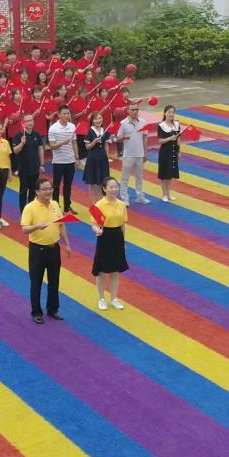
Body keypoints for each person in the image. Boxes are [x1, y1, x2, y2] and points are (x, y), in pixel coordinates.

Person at [20, 178, 72, 324]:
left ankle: (53, 309)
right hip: (38, 250)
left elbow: (61, 225)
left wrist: (67, 243)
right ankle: (36, 312)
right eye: (45, 189)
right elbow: (24, 229)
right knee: (36, 282)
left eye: (50, 189)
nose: (48, 192)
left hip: (54, 248)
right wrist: (37, 226)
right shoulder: (30, 208)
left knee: (54, 281)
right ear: (37, 191)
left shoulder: (55, 204)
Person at [91, 177, 130, 310]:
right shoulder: (99, 205)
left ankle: (114, 298)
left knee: (115, 270)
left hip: (117, 237)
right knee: (101, 271)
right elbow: (94, 224)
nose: (114, 189)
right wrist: (97, 230)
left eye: (115, 187)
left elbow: (123, 225)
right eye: (111, 187)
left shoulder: (121, 204)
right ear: (104, 189)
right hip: (104, 237)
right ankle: (101, 298)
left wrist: (123, 242)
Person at [117, 104, 151, 206]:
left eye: (137, 109)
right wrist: (124, 137)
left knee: (139, 177)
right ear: (128, 110)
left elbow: (145, 137)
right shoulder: (123, 123)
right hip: (128, 155)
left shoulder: (143, 122)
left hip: (140, 154)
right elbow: (118, 139)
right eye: (133, 109)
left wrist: (145, 153)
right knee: (125, 177)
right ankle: (124, 198)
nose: (135, 111)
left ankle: (140, 196)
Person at [48, 105, 79, 215]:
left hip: (70, 161)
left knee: (68, 185)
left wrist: (77, 158)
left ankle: (67, 207)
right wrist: (62, 143)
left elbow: (74, 142)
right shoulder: (53, 128)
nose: (67, 115)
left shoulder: (72, 126)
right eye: (64, 113)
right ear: (59, 114)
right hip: (58, 162)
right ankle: (55, 207)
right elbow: (52, 146)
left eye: (68, 113)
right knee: (56, 186)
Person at [12, 114, 44, 215]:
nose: (31, 122)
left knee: (33, 192)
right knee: (23, 192)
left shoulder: (37, 134)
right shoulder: (18, 135)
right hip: (24, 169)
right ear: (23, 123)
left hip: (35, 168)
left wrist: (42, 164)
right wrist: (22, 143)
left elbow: (40, 149)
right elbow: (15, 151)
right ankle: (23, 213)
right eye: (28, 120)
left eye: (32, 120)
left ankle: (31, 213)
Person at [82, 111, 112, 200]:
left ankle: (100, 200)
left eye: (100, 118)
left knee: (102, 181)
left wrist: (107, 158)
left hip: (103, 159)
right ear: (92, 121)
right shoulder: (90, 131)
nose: (98, 120)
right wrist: (94, 141)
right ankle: (93, 202)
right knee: (92, 182)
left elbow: (106, 145)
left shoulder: (105, 131)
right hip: (93, 159)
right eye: (96, 119)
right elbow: (87, 147)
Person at [157, 104, 182, 202]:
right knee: (164, 174)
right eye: (169, 112)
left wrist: (179, 151)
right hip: (165, 152)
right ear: (165, 113)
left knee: (170, 174)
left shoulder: (176, 124)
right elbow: (160, 141)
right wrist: (170, 138)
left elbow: (179, 138)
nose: (171, 114)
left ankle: (169, 193)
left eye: (172, 112)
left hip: (173, 152)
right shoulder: (161, 126)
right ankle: (164, 194)